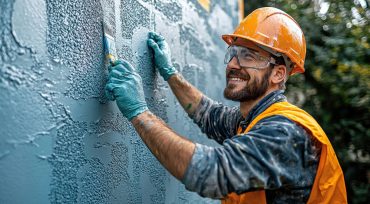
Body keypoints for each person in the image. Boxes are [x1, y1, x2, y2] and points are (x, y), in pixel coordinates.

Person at [105, 7, 347, 203]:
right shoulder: (255, 119)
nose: (232, 64)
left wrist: (140, 112)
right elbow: (209, 114)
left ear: (278, 74)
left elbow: (210, 172)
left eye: (248, 56)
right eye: (233, 53)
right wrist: (170, 73)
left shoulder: (285, 132)